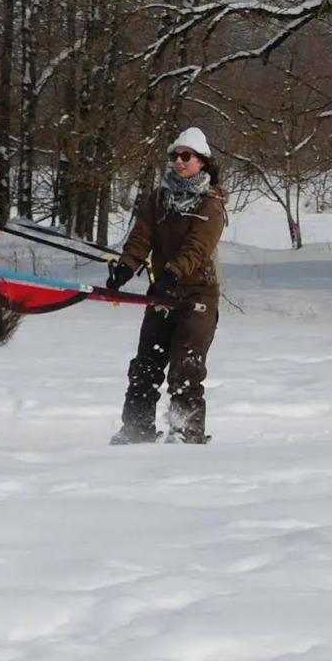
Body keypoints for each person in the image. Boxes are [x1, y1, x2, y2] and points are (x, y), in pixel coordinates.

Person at [105, 127, 226, 445]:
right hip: (162, 294)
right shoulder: (159, 199)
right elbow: (142, 236)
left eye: (187, 156)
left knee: (185, 369)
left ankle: (186, 433)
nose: (180, 161)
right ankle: (136, 430)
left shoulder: (211, 205)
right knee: (145, 366)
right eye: (175, 156)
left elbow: (197, 248)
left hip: (197, 296)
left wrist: (172, 273)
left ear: (202, 162)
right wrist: (125, 268)